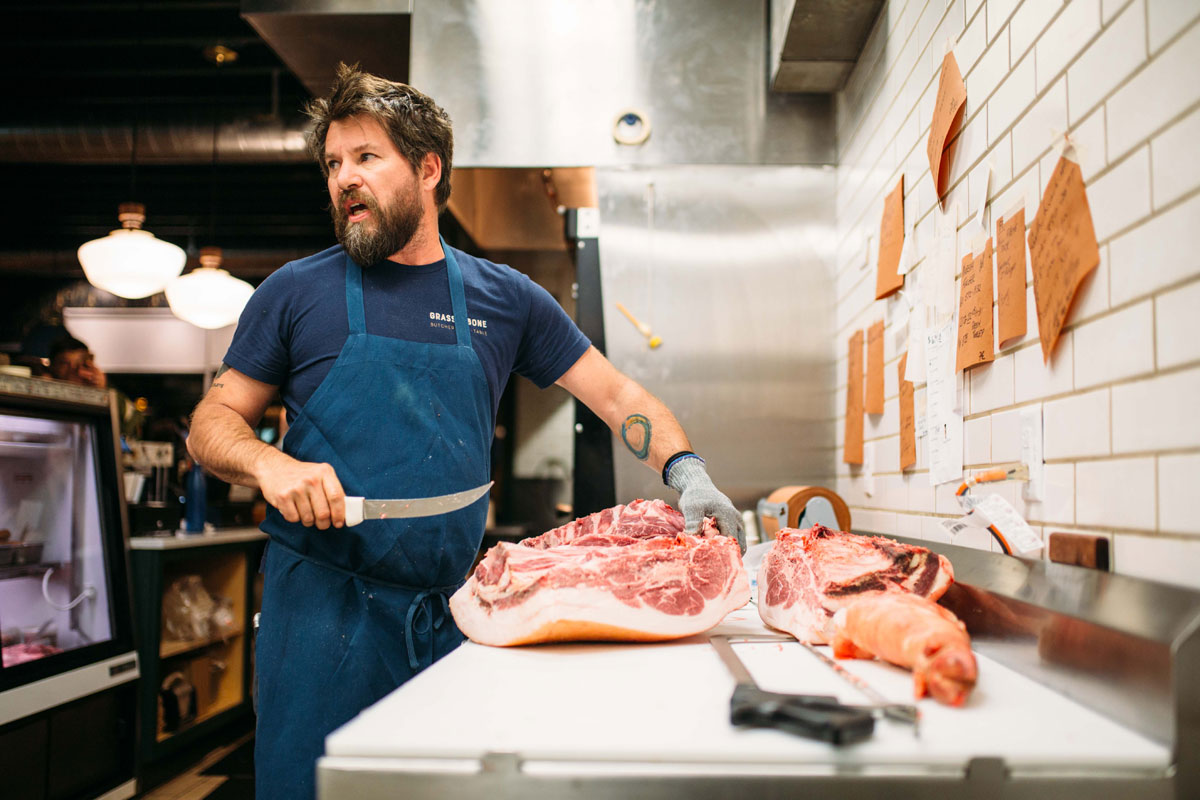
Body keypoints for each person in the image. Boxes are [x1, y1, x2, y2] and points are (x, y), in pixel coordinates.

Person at [186, 63, 744, 800]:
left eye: (365, 158)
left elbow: (616, 395)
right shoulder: (295, 291)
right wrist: (268, 466)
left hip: (453, 610)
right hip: (322, 614)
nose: (342, 179)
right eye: (332, 163)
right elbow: (211, 423)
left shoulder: (505, 298)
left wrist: (688, 473)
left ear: (427, 168)